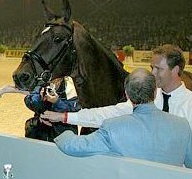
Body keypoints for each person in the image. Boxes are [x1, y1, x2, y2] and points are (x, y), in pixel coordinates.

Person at [54, 68, 192, 168]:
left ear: (127, 94)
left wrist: (64, 133)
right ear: (155, 92)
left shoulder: (112, 127)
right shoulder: (183, 126)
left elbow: (73, 146)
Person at [41, 44, 192, 130]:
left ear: (176, 70)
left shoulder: (189, 105)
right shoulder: (147, 98)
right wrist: (63, 116)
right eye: (151, 67)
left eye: (158, 68)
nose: (152, 73)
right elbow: (106, 115)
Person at [24, 76, 80, 142]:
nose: (54, 82)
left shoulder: (72, 88)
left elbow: (75, 112)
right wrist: (39, 99)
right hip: (40, 127)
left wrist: (57, 102)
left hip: (63, 131)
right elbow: (29, 101)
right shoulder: (42, 83)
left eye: (57, 80)